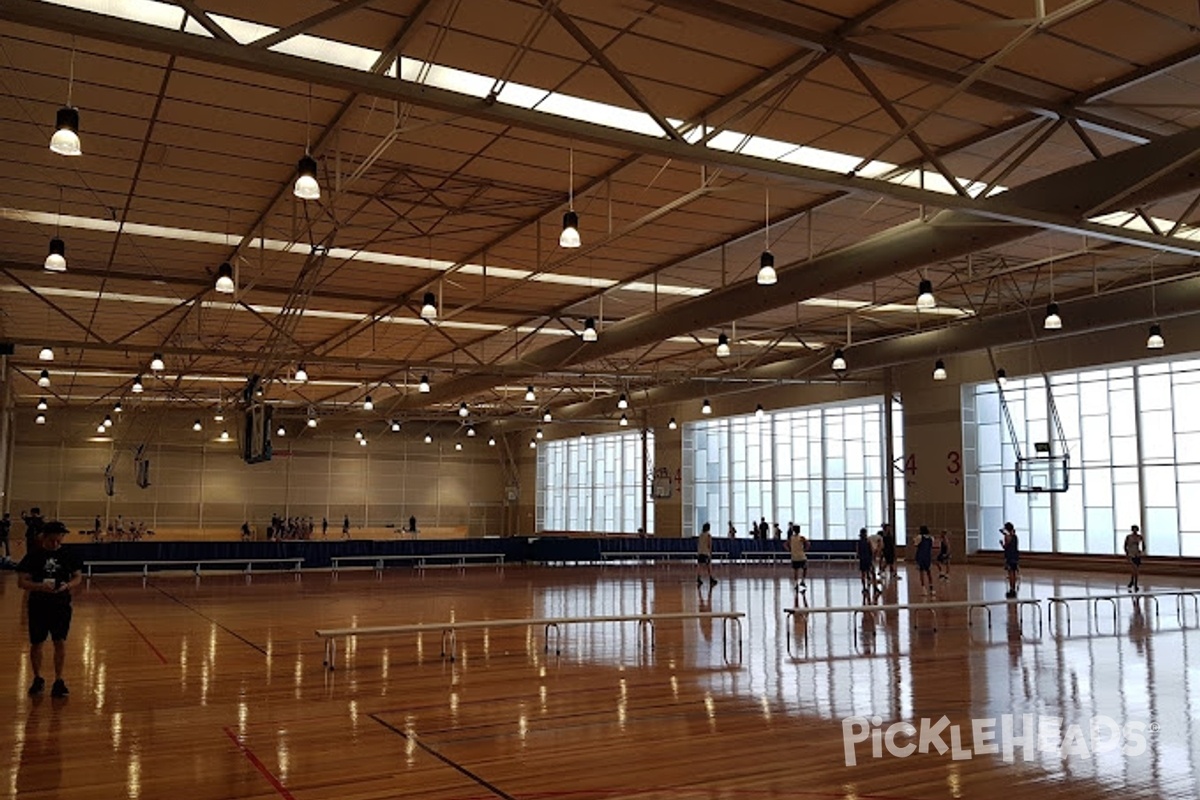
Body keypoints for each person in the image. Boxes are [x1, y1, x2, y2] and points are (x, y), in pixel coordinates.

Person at [16, 521, 82, 697]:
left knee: (59, 641)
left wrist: (67, 585)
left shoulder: (67, 555)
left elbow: (77, 577)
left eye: (59, 540)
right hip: (38, 605)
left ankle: (59, 680)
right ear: (44, 538)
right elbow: (21, 582)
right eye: (52, 540)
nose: (56, 544)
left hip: (61, 605)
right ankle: (38, 678)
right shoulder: (33, 556)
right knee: (37, 643)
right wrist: (40, 586)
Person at [1001, 522, 1020, 598]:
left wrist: (1002, 543)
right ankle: (1013, 588)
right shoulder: (1015, 536)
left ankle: (1011, 588)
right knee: (1014, 573)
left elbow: (1005, 546)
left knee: (1010, 573)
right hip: (1015, 556)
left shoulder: (1007, 537)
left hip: (1009, 556)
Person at [1124, 524, 1144, 592]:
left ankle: (1132, 581)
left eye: (1136, 529)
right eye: (1134, 529)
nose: (1135, 531)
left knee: (1135, 570)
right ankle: (1135, 584)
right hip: (1131, 554)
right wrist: (1127, 553)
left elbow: (1144, 545)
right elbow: (1125, 545)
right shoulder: (1128, 537)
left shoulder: (1140, 537)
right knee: (1134, 569)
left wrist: (1141, 551)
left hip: (1137, 555)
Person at [915, 526, 935, 596]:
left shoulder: (919, 537)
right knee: (929, 573)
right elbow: (931, 546)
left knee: (921, 573)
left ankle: (924, 589)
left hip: (921, 556)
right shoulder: (931, 538)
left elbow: (916, 544)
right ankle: (932, 589)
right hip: (928, 556)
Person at [696, 522, 716, 586]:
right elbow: (709, 545)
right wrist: (710, 553)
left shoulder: (700, 535)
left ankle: (698, 577)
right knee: (709, 566)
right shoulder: (708, 535)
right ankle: (711, 578)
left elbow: (699, 544)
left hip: (700, 552)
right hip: (706, 553)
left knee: (700, 566)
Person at [856, 528, 874, 594]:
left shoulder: (859, 542)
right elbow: (871, 550)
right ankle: (872, 587)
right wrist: (872, 557)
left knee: (863, 574)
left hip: (862, 560)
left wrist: (860, 557)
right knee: (870, 573)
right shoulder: (868, 541)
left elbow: (857, 552)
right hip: (868, 559)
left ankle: (864, 588)